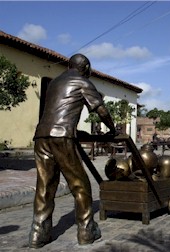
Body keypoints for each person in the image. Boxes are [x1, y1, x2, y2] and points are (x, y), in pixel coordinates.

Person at [29, 54, 116, 248]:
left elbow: (57, 112)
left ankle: (38, 235)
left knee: (44, 187)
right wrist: (112, 129)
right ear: (85, 67)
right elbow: (101, 110)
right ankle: (86, 231)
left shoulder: (54, 83)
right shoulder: (82, 81)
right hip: (62, 137)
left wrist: (75, 130)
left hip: (41, 136)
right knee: (80, 185)